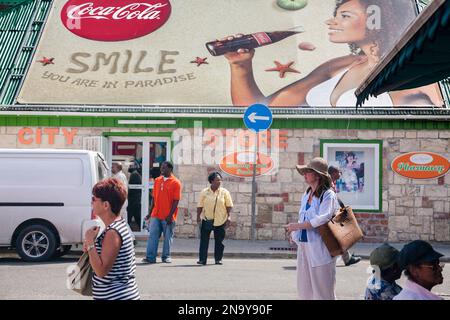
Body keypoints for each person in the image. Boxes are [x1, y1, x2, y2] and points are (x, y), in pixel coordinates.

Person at [224, 0, 441, 107]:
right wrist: (240, 66)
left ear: (376, 18)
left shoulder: (411, 67)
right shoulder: (339, 65)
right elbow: (258, 110)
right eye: (335, 14)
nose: (332, 21)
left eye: (345, 15)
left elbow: (423, 130)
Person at [285, 157, 339, 300]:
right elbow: (302, 218)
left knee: (323, 293)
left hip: (321, 249)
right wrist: (295, 233)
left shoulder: (328, 194)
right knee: (305, 291)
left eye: (308, 172)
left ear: (317, 175)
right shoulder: (306, 194)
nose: (305, 174)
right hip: (304, 248)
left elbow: (322, 218)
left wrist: (296, 226)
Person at [83, 178, 140, 300]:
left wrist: (90, 243)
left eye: (94, 199)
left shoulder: (113, 233)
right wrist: (90, 247)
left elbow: (101, 271)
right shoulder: (118, 226)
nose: (91, 202)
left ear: (106, 205)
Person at [142, 161, 182, 264]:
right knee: (153, 236)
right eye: (161, 168)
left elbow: (176, 200)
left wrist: (170, 215)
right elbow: (154, 198)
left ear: (170, 169)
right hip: (156, 214)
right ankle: (150, 257)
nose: (162, 170)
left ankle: (166, 256)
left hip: (168, 216)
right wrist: (150, 213)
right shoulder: (157, 180)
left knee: (168, 237)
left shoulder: (176, 182)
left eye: (164, 168)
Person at [196, 172, 233, 265]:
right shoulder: (204, 192)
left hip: (221, 220)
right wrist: (198, 217)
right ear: (211, 181)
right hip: (207, 219)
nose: (220, 182)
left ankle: (218, 259)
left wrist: (229, 216)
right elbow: (200, 205)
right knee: (204, 241)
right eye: (217, 180)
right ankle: (202, 259)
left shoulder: (225, 192)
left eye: (220, 180)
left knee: (219, 241)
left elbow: (229, 205)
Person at [328, 165, 361, 266]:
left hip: (333, 214)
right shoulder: (328, 184)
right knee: (339, 237)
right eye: (338, 172)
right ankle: (346, 258)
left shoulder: (331, 183)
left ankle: (347, 258)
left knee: (339, 237)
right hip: (330, 216)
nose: (340, 174)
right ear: (333, 173)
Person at [127, 163, 142, 231]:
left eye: (131, 167)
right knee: (135, 215)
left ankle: (140, 228)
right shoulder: (134, 174)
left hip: (134, 198)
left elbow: (133, 187)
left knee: (131, 214)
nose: (129, 168)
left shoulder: (134, 174)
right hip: (135, 198)